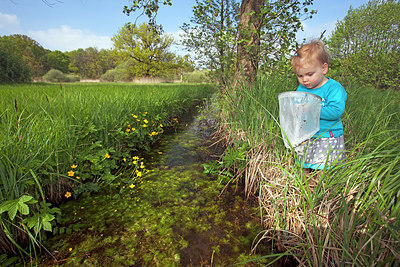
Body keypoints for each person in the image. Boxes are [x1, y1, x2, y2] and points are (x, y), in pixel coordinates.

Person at [291, 39, 347, 171]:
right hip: (308, 134)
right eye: (300, 75)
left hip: (327, 135)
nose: (305, 79)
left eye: (309, 74)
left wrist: (313, 109)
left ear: (324, 68)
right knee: (305, 164)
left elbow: (336, 111)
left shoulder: (333, 88)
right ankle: (304, 182)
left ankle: (323, 185)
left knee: (325, 167)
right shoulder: (302, 88)